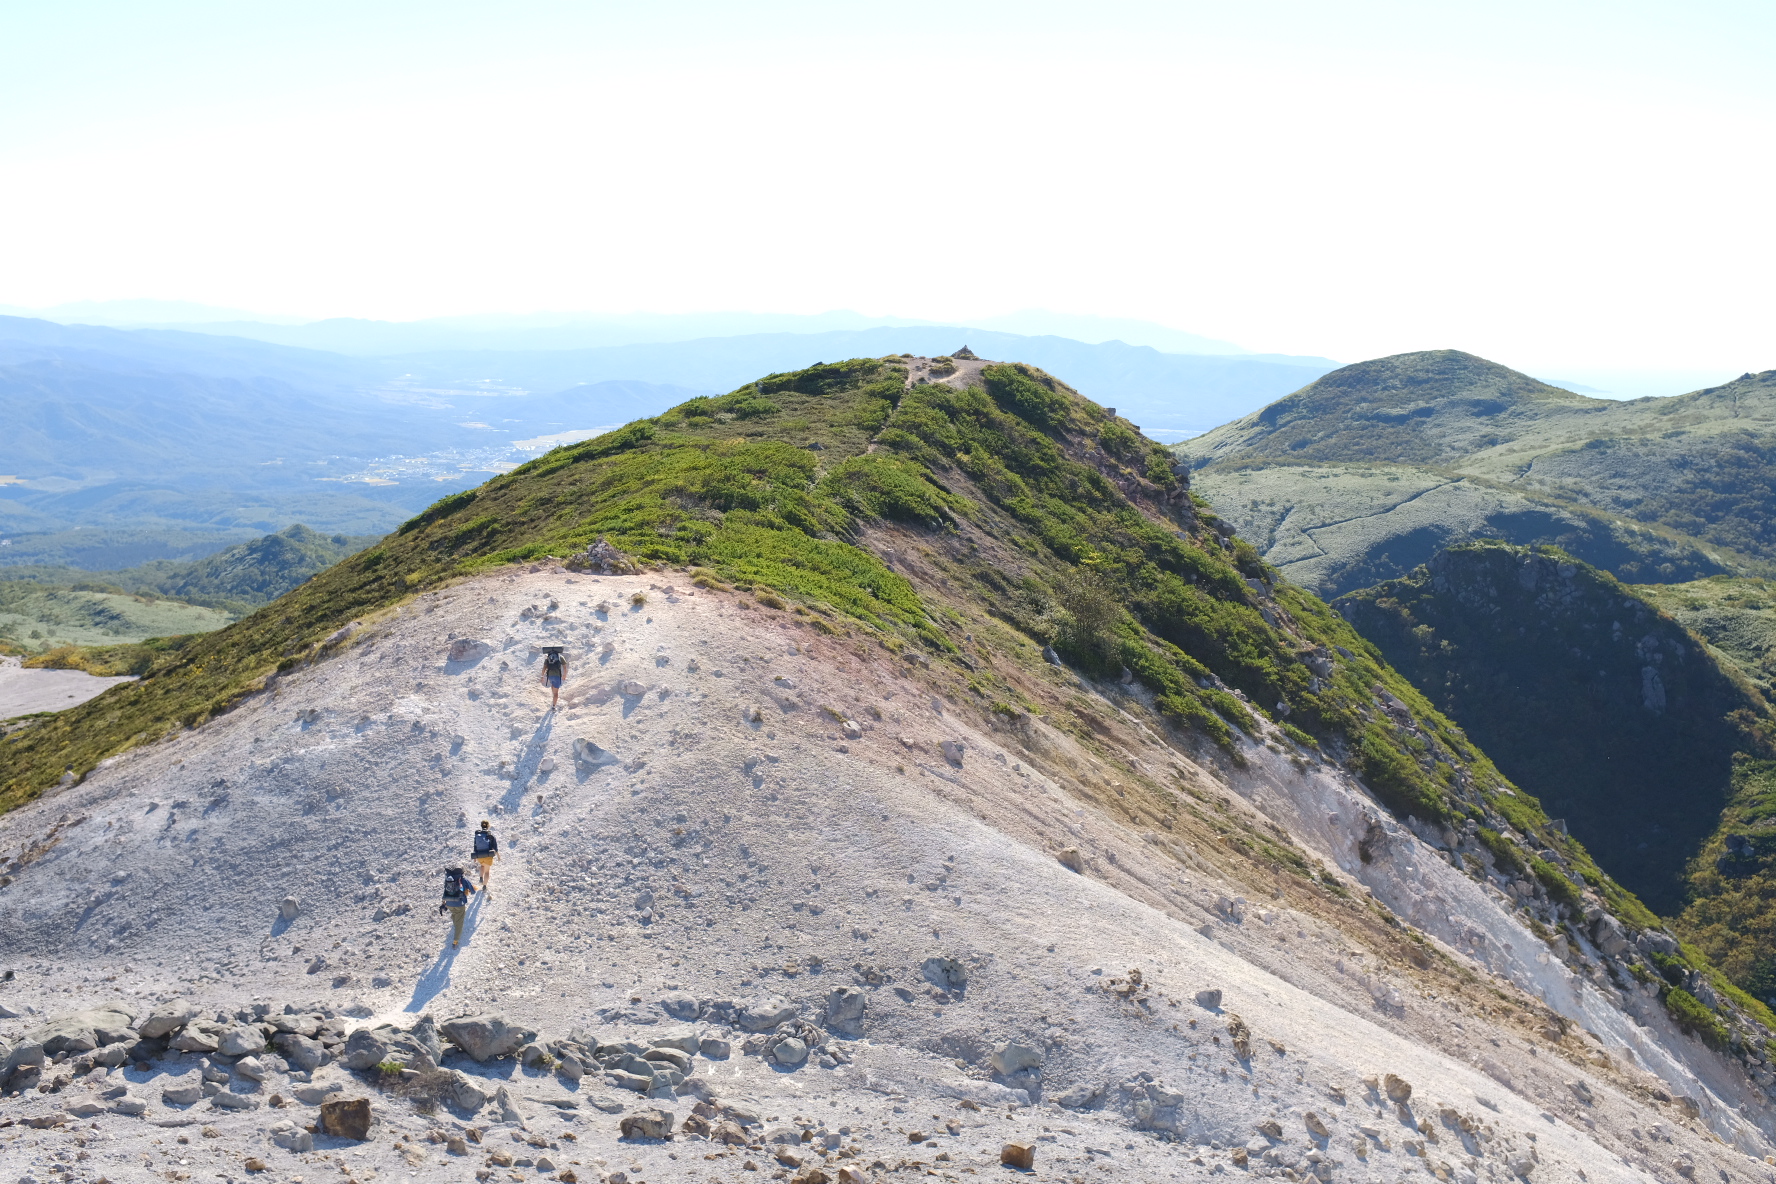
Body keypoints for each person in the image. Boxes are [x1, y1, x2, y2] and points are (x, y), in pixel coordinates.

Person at [440, 866, 477, 948]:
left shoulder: (448, 879)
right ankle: (455, 941)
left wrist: (443, 903)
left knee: (454, 913)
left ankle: (455, 923)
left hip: (448, 903)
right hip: (459, 904)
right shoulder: (463, 880)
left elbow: (445, 891)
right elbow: (472, 890)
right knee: (460, 922)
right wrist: (473, 891)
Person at [472, 820, 499, 894]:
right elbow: (495, 847)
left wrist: (475, 857)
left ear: (481, 826)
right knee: (487, 871)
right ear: (488, 826)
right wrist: (497, 854)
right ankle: (484, 886)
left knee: (482, 866)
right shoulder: (490, 835)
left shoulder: (478, 835)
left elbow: (475, 846)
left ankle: (481, 877)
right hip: (487, 856)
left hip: (479, 856)